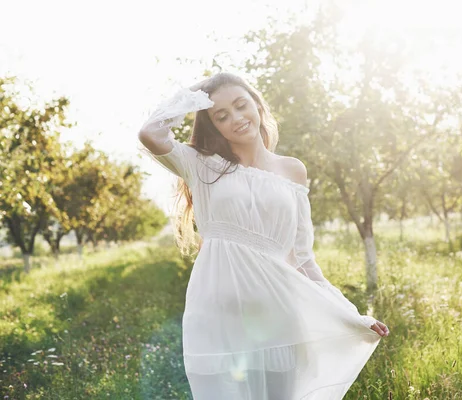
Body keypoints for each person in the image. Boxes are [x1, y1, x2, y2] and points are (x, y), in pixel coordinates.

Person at [137, 72, 389, 399]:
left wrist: (352, 315)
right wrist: (195, 93)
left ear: (257, 104)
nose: (237, 119)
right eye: (221, 116)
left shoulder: (292, 170)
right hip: (218, 315)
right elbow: (150, 133)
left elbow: (302, 260)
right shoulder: (200, 165)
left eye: (242, 106)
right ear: (213, 125)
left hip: (278, 317)